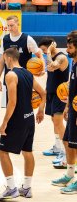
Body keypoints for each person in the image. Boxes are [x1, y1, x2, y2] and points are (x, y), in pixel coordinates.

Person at [0, 48, 46, 201]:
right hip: (29, 117)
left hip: (17, 120)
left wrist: (4, 123)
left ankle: (11, 188)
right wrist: (40, 110)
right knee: (27, 151)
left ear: (8, 58)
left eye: (3, 59)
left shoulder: (11, 75)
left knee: (2, 151)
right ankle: (27, 187)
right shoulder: (28, 73)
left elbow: (12, 102)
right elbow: (43, 93)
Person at [0, 15, 44, 107]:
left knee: (24, 107)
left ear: (18, 24)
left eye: (12, 25)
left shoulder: (28, 39)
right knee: (10, 107)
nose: (10, 28)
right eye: (8, 26)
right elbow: (2, 60)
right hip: (9, 78)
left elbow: (39, 54)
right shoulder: (4, 39)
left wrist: (42, 68)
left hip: (24, 79)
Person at [51, 30, 77, 194]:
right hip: (73, 108)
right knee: (68, 142)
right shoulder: (74, 63)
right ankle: (69, 174)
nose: (66, 50)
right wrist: (68, 106)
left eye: (69, 47)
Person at [38, 38, 69, 166]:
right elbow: (50, 72)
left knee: (58, 121)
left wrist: (49, 52)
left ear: (50, 47)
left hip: (60, 94)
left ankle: (65, 151)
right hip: (51, 92)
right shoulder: (52, 57)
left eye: (45, 50)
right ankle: (57, 147)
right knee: (54, 121)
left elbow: (51, 67)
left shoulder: (62, 57)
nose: (45, 53)